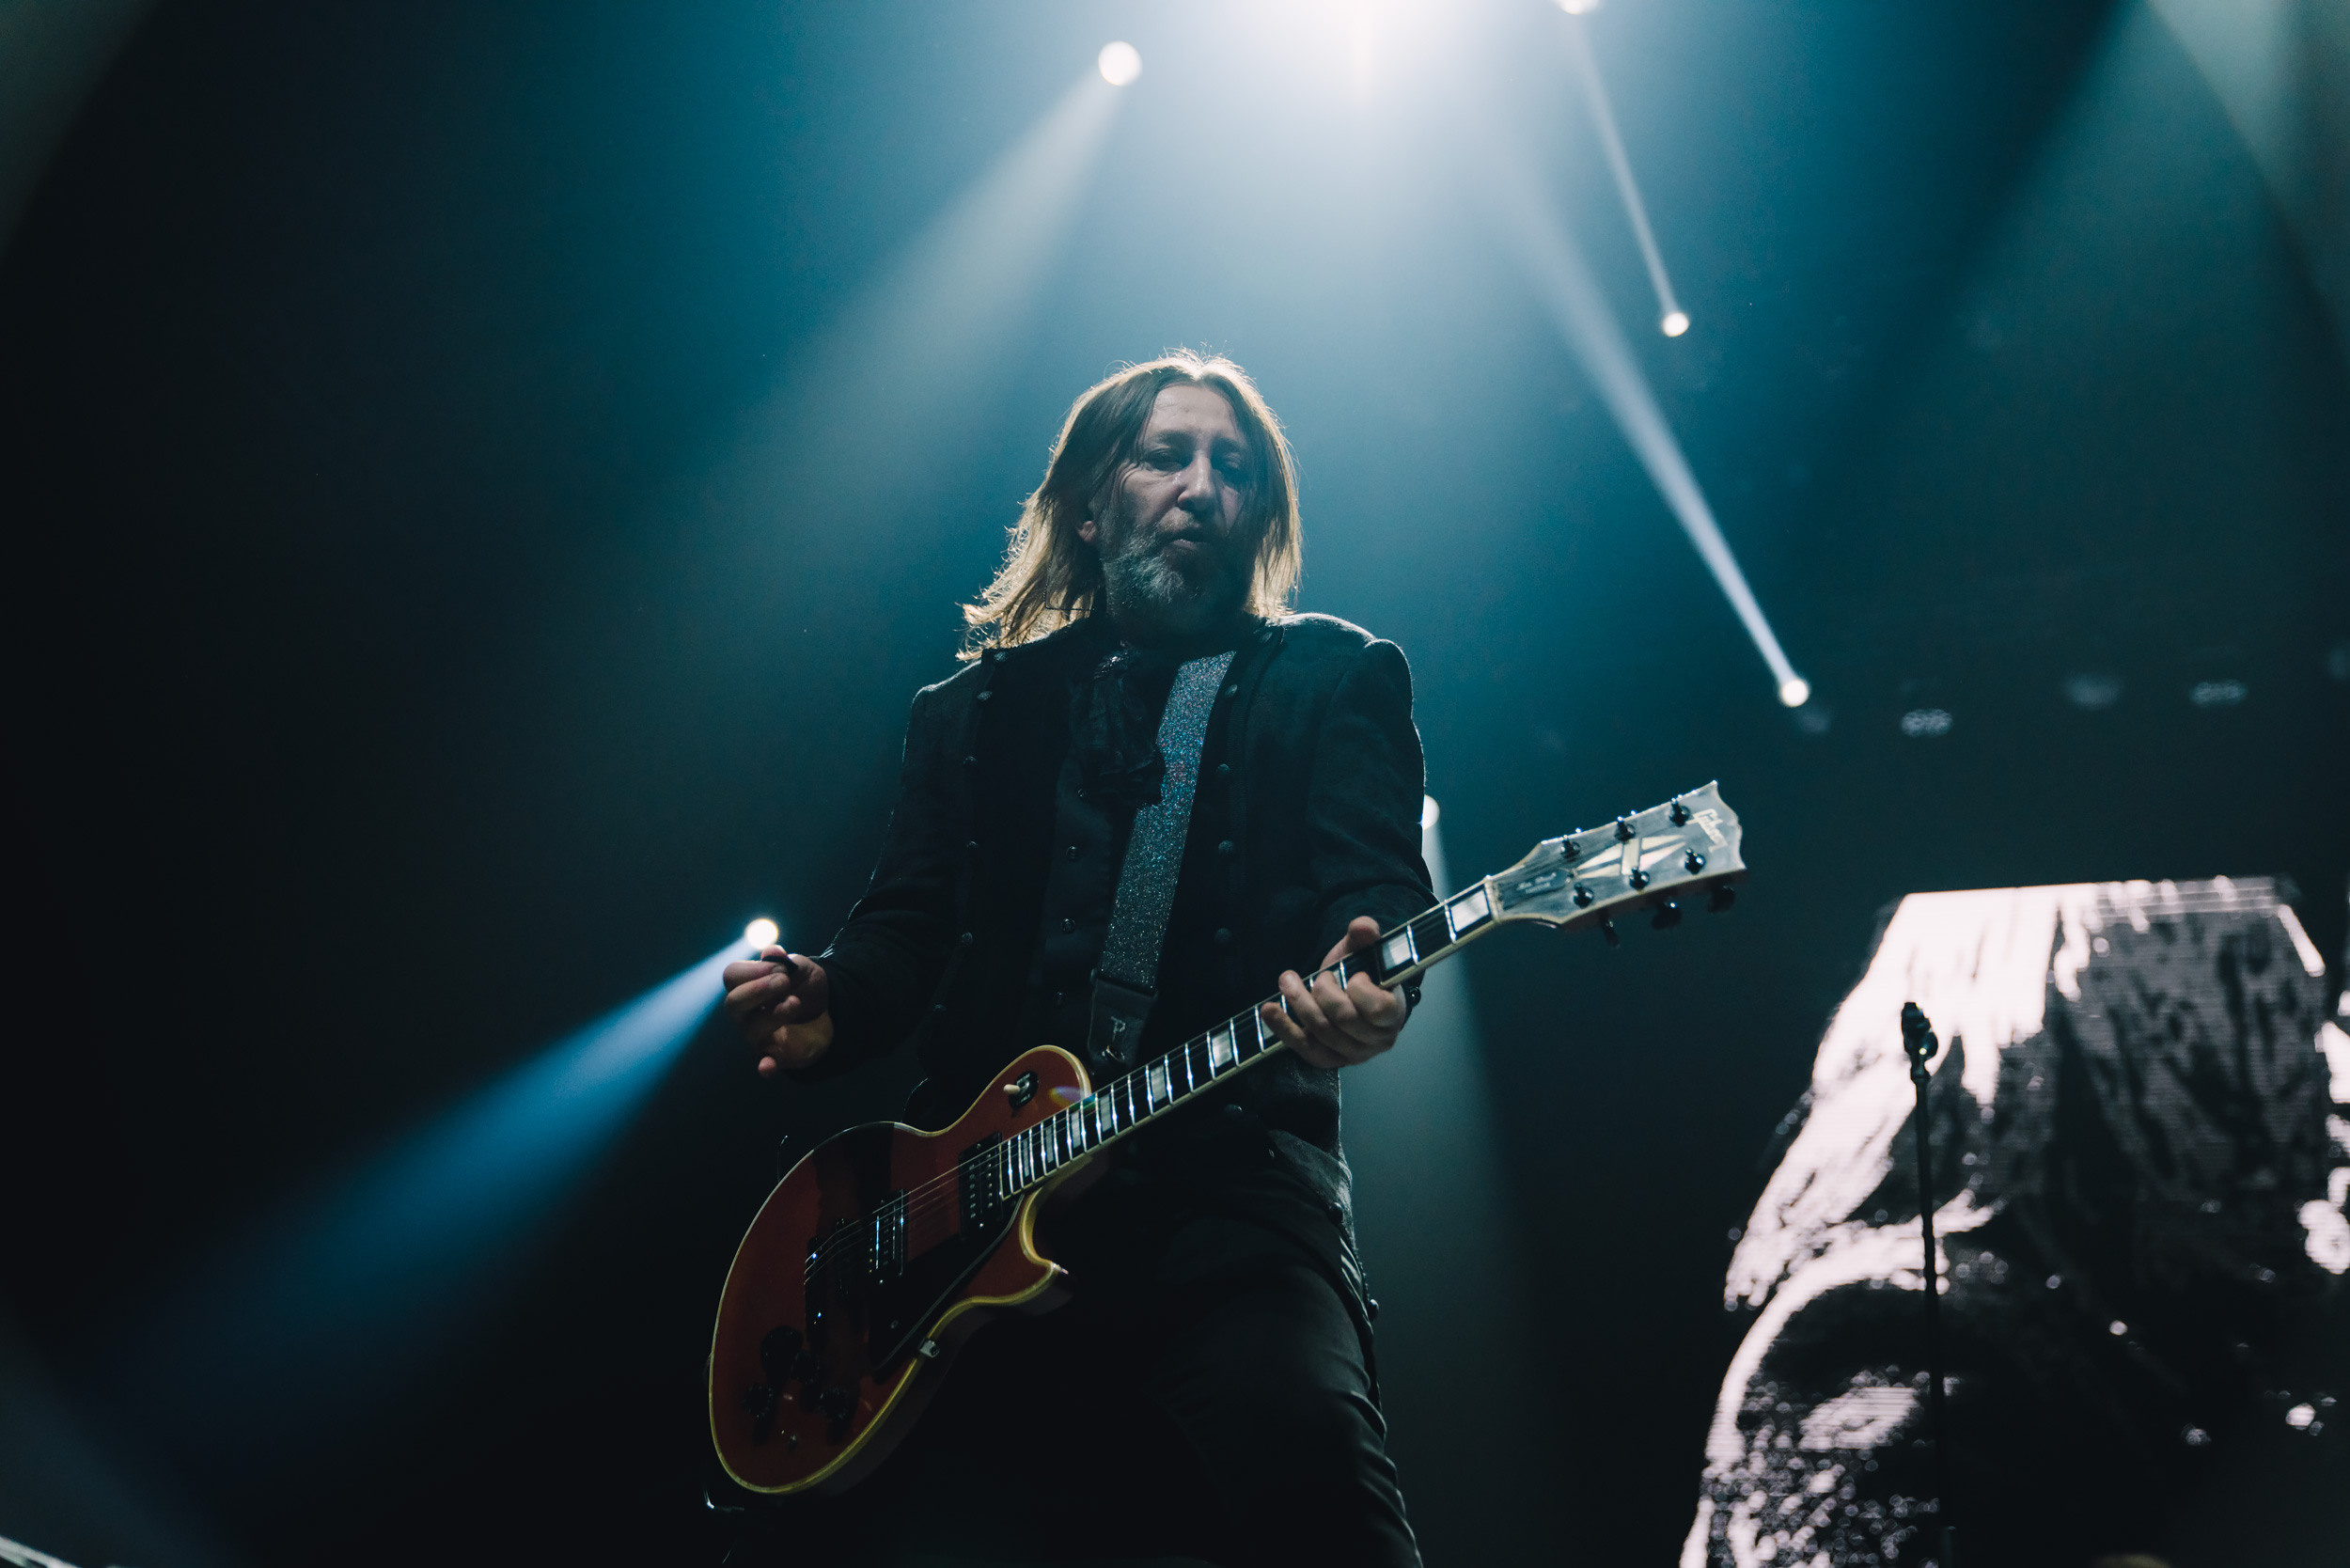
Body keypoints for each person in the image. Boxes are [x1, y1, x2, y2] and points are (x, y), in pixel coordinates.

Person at [719, 352, 1432, 1567]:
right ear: (1088, 504)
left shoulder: (1329, 679)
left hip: (1228, 1200)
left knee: (1316, 1482)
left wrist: (1373, 986)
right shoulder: (967, 716)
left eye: (1235, 468)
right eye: (1166, 455)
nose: (1204, 487)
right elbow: (904, 934)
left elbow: (1376, 899)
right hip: (962, 1216)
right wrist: (826, 1002)